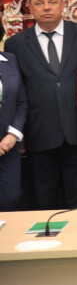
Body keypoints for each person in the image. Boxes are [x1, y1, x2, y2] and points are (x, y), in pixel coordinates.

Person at [5, 0, 77, 209]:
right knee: (45, 198)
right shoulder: (15, 44)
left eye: (52, 2)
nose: (46, 7)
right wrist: (19, 133)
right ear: (30, 8)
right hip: (39, 132)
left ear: (62, 4)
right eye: (39, 3)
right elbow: (16, 92)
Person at [0, 22, 27, 211]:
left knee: (11, 197)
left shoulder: (10, 59)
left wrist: (13, 135)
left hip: (7, 145)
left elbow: (21, 102)